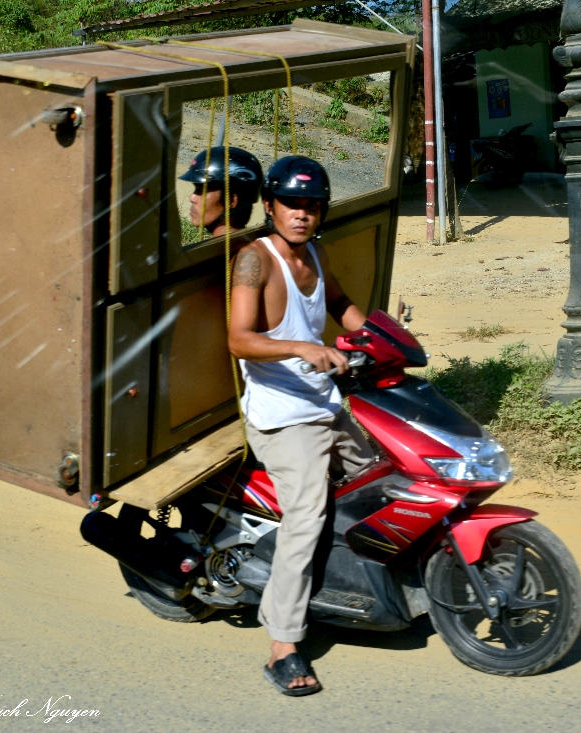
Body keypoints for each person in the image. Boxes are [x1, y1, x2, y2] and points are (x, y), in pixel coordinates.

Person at [228, 156, 375, 697]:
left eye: (312, 206)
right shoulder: (254, 260)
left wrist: (378, 335)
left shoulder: (315, 251)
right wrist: (300, 346)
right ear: (270, 206)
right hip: (282, 418)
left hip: (325, 405)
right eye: (292, 204)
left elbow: (338, 301)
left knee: (382, 479)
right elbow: (239, 339)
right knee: (307, 514)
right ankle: (283, 645)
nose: (302, 214)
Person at [179, 146, 263, 237]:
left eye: (201, 191)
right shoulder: (243, 244)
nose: (192, 198)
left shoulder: (227, 250)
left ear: (231, 201)